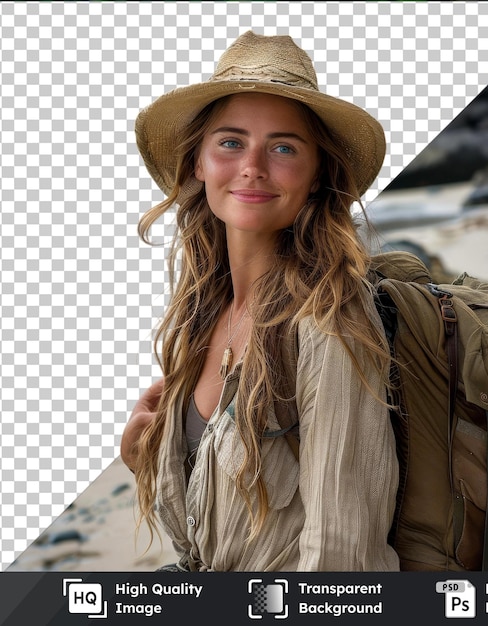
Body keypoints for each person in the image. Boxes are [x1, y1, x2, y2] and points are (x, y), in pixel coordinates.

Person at [121, 30, 399, 572]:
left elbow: (342, 562)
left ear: (317, 174)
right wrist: (149, 461)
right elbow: (207, 546)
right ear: (198, 163)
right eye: (230, 142)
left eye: (283, 147)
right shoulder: (201, 314)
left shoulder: (329, 321)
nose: (253, 165)